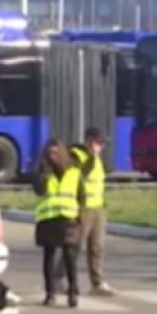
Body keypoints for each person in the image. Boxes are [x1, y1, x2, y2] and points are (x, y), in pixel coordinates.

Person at [56, 127, 115, 296]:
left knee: (97, 247)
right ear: (88, 141)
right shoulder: (77, 155)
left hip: (98, 207)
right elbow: (75, 176)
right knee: (75, 245)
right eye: (97, 143)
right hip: (82, 208)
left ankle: (98, 283)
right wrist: (89, 156)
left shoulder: (97, 159)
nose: (100, 147)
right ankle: (58, 277)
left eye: (102, 144)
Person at [33, 139, 85, 308]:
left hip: (68, 219)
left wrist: (79, 217)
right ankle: (50, 293)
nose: (52, 156)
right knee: (49, 258)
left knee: (70, 257)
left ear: (62, 153)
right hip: (48, 219)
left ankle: (73, 292)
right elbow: (39, 190)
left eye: (55, 153)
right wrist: (43, 173)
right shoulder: (44, 172)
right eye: (49, 153)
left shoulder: (74, 172)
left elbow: (81, 197)